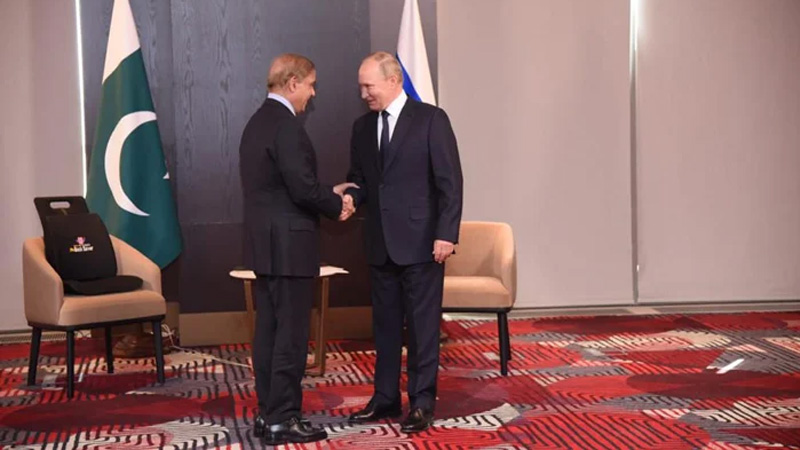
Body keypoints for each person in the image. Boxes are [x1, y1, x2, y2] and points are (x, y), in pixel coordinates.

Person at [239, 53, 356, 445]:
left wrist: (325, 193)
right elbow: (302, 188)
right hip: (290, 248)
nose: (313, 92)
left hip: (266, 246)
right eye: (310, 84)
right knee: (290, 336)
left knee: (269, 334)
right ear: (292, 83)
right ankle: (284, 418)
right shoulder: (287, 126)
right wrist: (335, 203)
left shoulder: (257, 122)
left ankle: (268, 412)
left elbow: (283, 187)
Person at [343, 52, 463, 433]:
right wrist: (351, 198)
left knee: (423, 329)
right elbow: (361, 179)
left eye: (369, 86)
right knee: (386, 328)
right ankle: (385, 397)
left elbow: (450, 182)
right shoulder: (362, 127)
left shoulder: (431, 119)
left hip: (423, 244)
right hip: (380, 244)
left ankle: (422, 402)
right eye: (361, 87)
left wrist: (446, 233)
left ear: (393, 80)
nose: (363, 93)